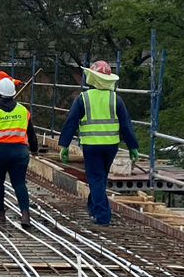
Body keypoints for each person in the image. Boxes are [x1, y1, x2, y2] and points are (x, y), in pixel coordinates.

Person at [57, 60, 141, 227]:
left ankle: (102, 216)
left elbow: (71, 122)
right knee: (100, 178)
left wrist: (64, 145)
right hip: (111, 146)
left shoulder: (84, 99)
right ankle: (93, 207)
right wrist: (133, 147)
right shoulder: (115, 99)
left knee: (95, 179)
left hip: (91, 145)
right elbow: (126, 124)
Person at [0, 76, 41, 228]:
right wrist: (35, 150)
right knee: (19, 183)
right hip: (20, 152)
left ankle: (1, 213)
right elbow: (31, 134)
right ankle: (25, 214)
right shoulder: (23, 111)